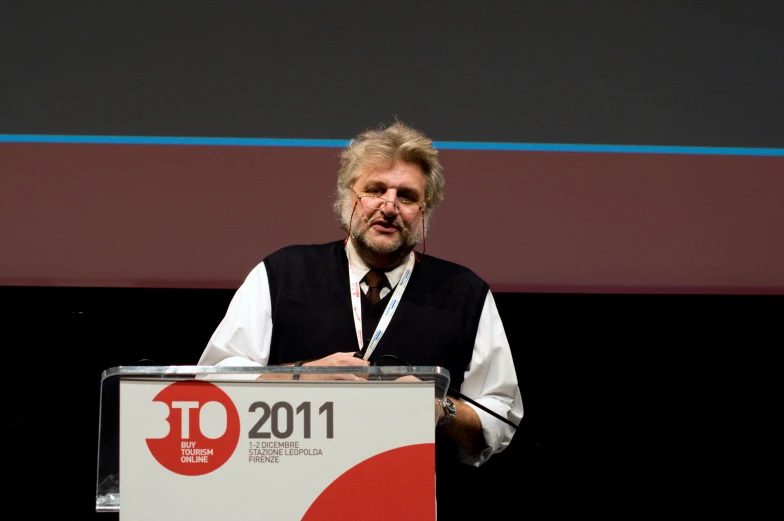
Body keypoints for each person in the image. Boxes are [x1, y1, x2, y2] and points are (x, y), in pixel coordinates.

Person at [198, 120, 523, 517]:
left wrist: (441, 408)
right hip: (288, 505)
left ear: (424, 212)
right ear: (347, 197)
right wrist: (300, 377)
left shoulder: (466, 293)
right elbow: (214, 381)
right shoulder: (281, 273)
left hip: (409, 508)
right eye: (374, 190)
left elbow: (498, 414)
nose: (388, 206)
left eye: (406, 196)